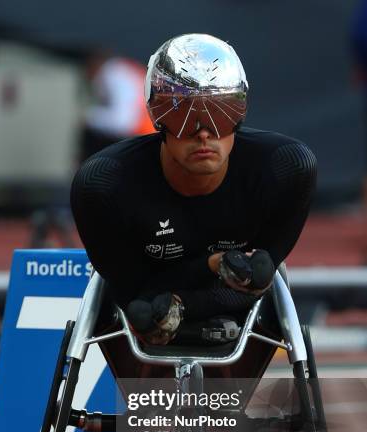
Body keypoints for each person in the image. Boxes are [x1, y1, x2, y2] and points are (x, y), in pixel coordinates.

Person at [71, 33, 316, 346]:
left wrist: (197, 290)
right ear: (157, 118)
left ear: (240, 114)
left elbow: (259, 276)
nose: (203, 133)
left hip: (236, 313)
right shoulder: (103, 185)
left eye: (219, 113)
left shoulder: (288, 168)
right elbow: (132, 292)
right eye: (182, 114)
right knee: (145, 311)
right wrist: (212, 265)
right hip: (143, 314)